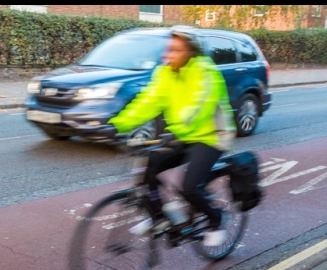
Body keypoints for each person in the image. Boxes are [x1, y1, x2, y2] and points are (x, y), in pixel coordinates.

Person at [87, 30, 236, 247]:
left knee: (189, 186)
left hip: (212, 137)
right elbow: (148, 101)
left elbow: (200, 105)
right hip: (183, 135)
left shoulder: (206, 73)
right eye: (168, 49)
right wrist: (118, 124)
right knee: (150, 167)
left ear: (190, 53)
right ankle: (159, 218)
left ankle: (217, 218)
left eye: (176, 50)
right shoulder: (165, 73)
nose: (169, 54)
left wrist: (178, 131)